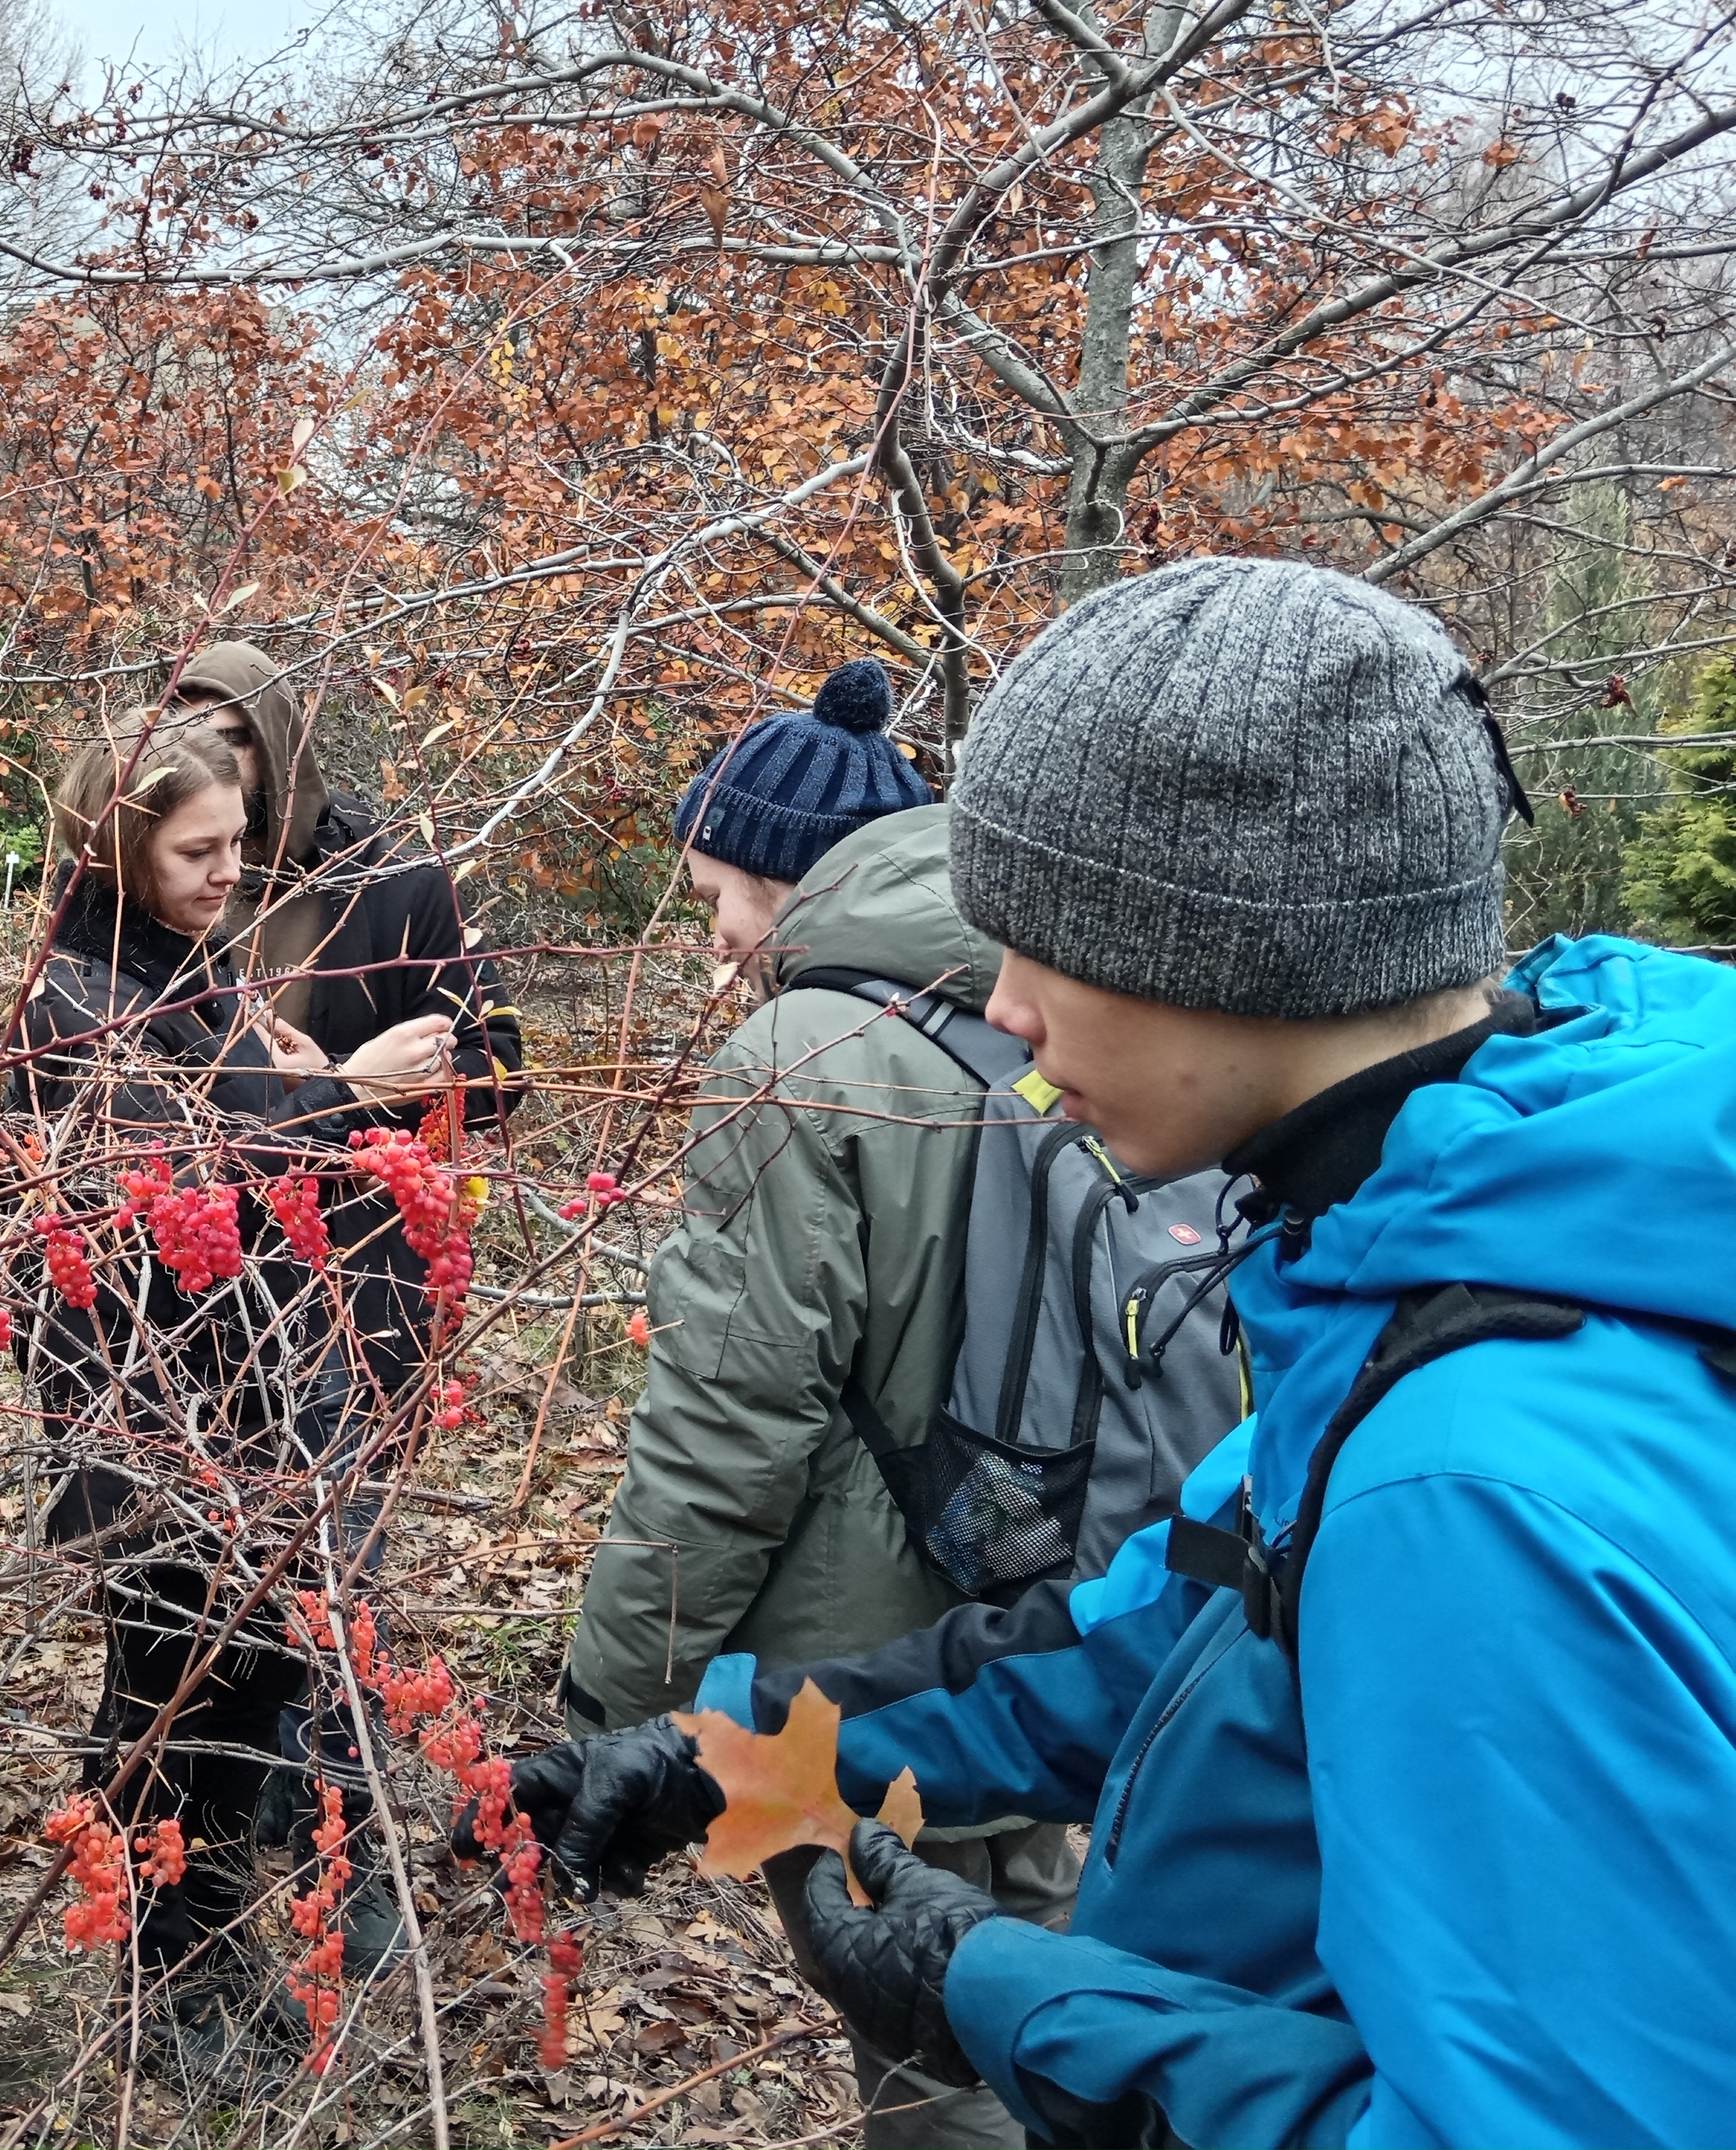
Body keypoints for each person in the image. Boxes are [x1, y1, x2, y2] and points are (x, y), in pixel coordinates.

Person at [487, 559, 1736, 2146]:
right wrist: (715, 1750)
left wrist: (1002, 1996)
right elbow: (1159, 1641)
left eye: (1041, 947)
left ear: (1227, 947)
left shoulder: (1467, 1484)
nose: (1003, 1012)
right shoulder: (1401, 1267)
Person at [565, 659, 1072, 2146]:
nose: (715, 942)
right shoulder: (1041, 1014)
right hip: (1045, 1602)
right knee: (1040, 1985)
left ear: (786, 877)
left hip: (849, 1658)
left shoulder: (800, 1058)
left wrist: (626, 1686)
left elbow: (729, 1421)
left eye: (716, 892)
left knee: (921, 2040)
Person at [12, 721, 458, 2063]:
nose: (228, 874)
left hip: (250, 1415)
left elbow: (239, 1147)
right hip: (149, 1428)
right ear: (119, 850)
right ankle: (167, 1978)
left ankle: (212, 1945)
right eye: (196, 851)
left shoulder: (195, 974)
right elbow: (179, 1185)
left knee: (248, 1695)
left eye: (236, 848)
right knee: (167, 1701)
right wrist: (347, 1097)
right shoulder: (73, 997)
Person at [158, 643, 526, 1954]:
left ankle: (344, 1848)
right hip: (196, 1299)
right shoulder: (157, 889)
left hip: (353, 1285)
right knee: (219, 1585)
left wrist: (386, 1079)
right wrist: (297, 1095)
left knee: (329, 1581)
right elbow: (122, 1109)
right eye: (188, 733)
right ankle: (252, 1805)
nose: (218, 769)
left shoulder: (393, 884)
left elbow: (494, 1071)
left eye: (236, 738)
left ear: (280, 745)